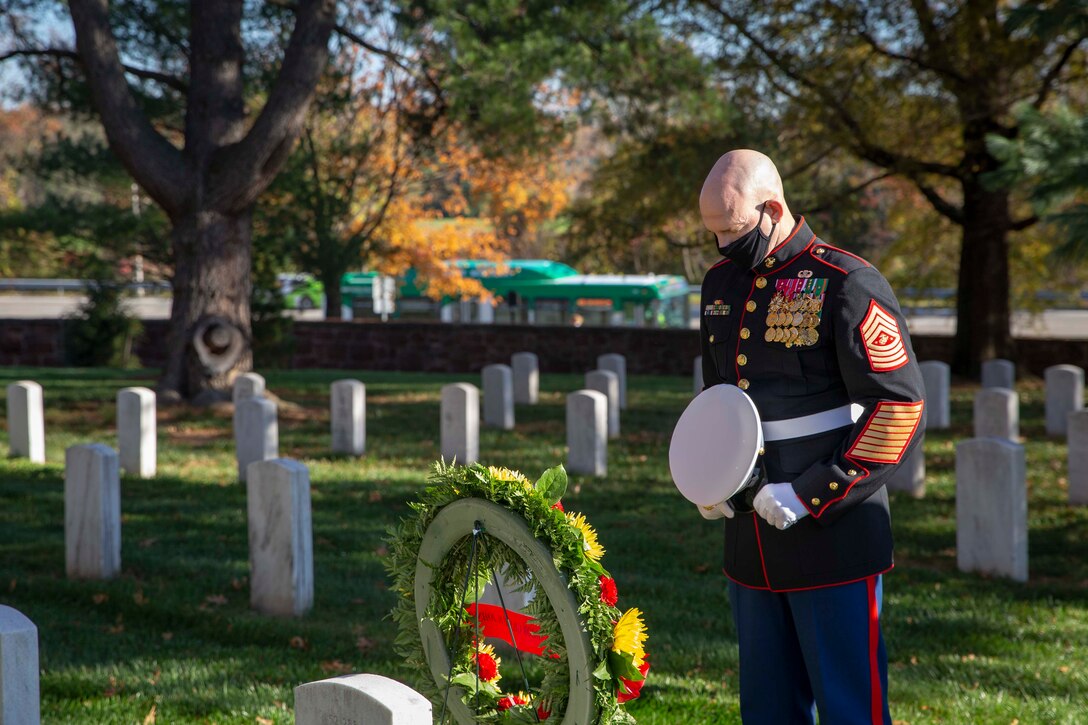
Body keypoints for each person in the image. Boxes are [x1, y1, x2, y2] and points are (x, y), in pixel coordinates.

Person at [696, 149, 925, 724]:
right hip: (752, 536)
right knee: (768, 710)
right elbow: (722, 401)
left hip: (834, 535)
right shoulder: (721, 283)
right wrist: (714, 476)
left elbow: (899, 405)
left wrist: (813, 490)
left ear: (772, 208)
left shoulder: (846, 281)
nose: (723, 246)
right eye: (714, 234)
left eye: (734, 230)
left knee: (850, 708)